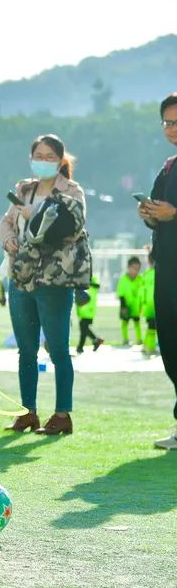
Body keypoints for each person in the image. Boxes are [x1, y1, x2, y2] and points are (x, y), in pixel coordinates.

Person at [0, 133, 89, 435]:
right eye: (38, 155)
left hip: (54, 279)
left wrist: (34, 216)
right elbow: (6, 221)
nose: (43, 161)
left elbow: (71, 229)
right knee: (26, 350)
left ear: (61, 160)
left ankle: (62, 414)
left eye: (50, 156)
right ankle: (28, 411)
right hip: (21, 276)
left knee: (58, 349)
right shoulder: (24, 188)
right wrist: (9, 239)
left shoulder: (72, 191)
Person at [137, 92, 177, 449]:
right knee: (171, 344)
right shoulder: (168, 167)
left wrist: (175, 213)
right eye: (167, 122)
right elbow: (157, 217)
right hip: (167, 269)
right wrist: (150, 215)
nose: (172, 129)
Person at [116, 257, 144, 347]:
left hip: (136, 306)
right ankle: (125, 339)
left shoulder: (140, 279)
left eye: (138, 269)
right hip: (126, 306)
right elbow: (120, 294)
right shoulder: (123, 279)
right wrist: (123, 306)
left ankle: (139, 340)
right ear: (128, 267)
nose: (136, 271)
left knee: (137, 322)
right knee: (125, 322)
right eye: (134, 268)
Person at [75, 275, 103, 354]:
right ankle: (96, 340)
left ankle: (80, 347)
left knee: (83, 328)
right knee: (83, 328)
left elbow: (97, 286)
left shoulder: (93, 278)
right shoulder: (80, 278)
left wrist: (88, 283)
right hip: (82, 309)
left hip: (89, 309)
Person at [142, 252, 157, 359]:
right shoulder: (156, 273)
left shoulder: (146, 274)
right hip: (154, 305)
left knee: (150, 327)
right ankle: (150, 348)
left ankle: (145, 346)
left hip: (147, 305)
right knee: (153, 328)